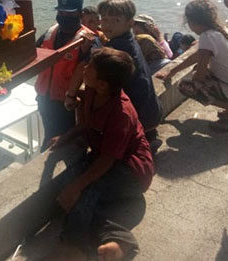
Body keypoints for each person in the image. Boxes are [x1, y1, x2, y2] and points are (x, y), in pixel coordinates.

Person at [48, 47, 154, 261]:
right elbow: (86, 123)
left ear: (103, 84)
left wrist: (77, 187)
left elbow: (108, 159)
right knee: (68, 185)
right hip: (107, 159)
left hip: (130, 170)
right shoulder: (93, 92)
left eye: (90, 69)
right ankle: (118, 239)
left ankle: (73, 246)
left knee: (83, 194)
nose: (84, 69)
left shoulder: (121, 113)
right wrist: (67, 137)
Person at [66, 0, 163, 145]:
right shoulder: (129, 40)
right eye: (104, 20)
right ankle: (149, 138)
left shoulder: (118, 49)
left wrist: (70, 96)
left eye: (116, 20)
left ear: (130, 23)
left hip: (138, 117)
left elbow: (82, 68)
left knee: (89, 88)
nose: (108, 25)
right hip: (151, 111)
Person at [156, 0, 228, 132]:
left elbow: (199, 76)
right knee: (203, 75)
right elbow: (198, 55)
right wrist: (173, 71)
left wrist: (198, 74)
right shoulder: (219, 30)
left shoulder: (207, 37)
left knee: (186, 85)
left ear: (193, 21)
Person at [35, 0, 93, 150]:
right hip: (44, 96)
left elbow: (88, 72)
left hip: (67, 102)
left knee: (64, 138)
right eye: (61, 13)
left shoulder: (87, 39)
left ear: (80, 15)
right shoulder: (50, 31)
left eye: (69, 13)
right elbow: (34, 55)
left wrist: (72, 96)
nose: (64, 16)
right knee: (49, 132)